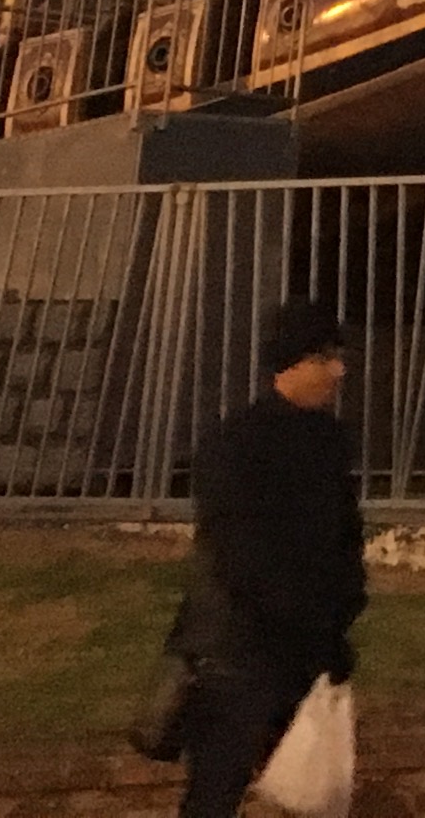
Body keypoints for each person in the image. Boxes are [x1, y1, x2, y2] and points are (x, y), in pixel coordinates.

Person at [173, 300, 365, 818]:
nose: (338, 371)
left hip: (306, 653)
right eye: (326, 357)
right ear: (294, 361)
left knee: (305, 796)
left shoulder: (330, 443)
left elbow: (344, 538)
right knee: (217, 794)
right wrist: (307, 620)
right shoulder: (235, 444)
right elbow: (239, 552)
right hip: (239, 656)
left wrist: (341, 612)